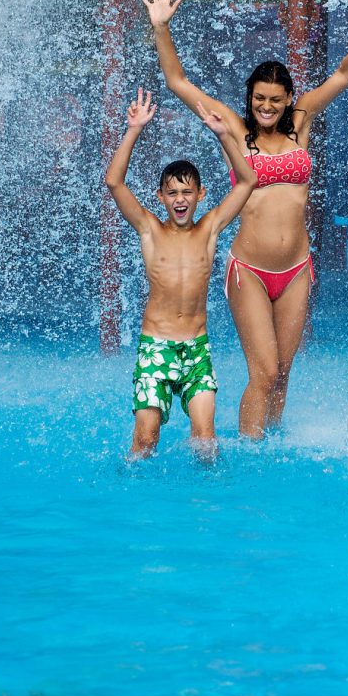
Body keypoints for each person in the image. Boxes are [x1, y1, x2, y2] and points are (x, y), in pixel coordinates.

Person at [144, 0, 348, 438]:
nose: (267, 107)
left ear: (288, 100)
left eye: (276, 100)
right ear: (250, 97)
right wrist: (161, 28)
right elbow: (178, 83)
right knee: (263, 371)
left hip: (297, 267)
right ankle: (248, 452)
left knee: (283, 372)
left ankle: (269, 448)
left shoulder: (301, 122)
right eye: (259, 99)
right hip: (250, 269)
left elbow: (342, 75)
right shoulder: (235, 129)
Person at [104, 87, 256, 458]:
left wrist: (224, 135)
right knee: (146, 440)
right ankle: (133, 497)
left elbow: (249, 181)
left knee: (205, 438)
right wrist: (133, 130)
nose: (180, 200)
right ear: (160, 197)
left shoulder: (209, 229)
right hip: (156, 347)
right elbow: (114, 182)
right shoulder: (149, 230)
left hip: (196, 350)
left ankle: (205, 505)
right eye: (172, 193)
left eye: (187, 192)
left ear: (200, 194)